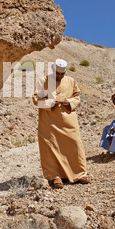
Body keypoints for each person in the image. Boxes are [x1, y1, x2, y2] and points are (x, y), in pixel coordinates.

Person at [32, 58, 89, 189]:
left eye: (62, 74)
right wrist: (49, 103)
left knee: (74, 143)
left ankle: (80, 173)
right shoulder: (43, 81)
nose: (60, 76)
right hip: (49, 120)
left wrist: (69, 102)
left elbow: (77, 97)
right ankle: (54, 176)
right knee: (50, 146)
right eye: (57, 73)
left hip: (68, 119)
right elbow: (36, 99)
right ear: (53, 70)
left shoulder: (71, 81)